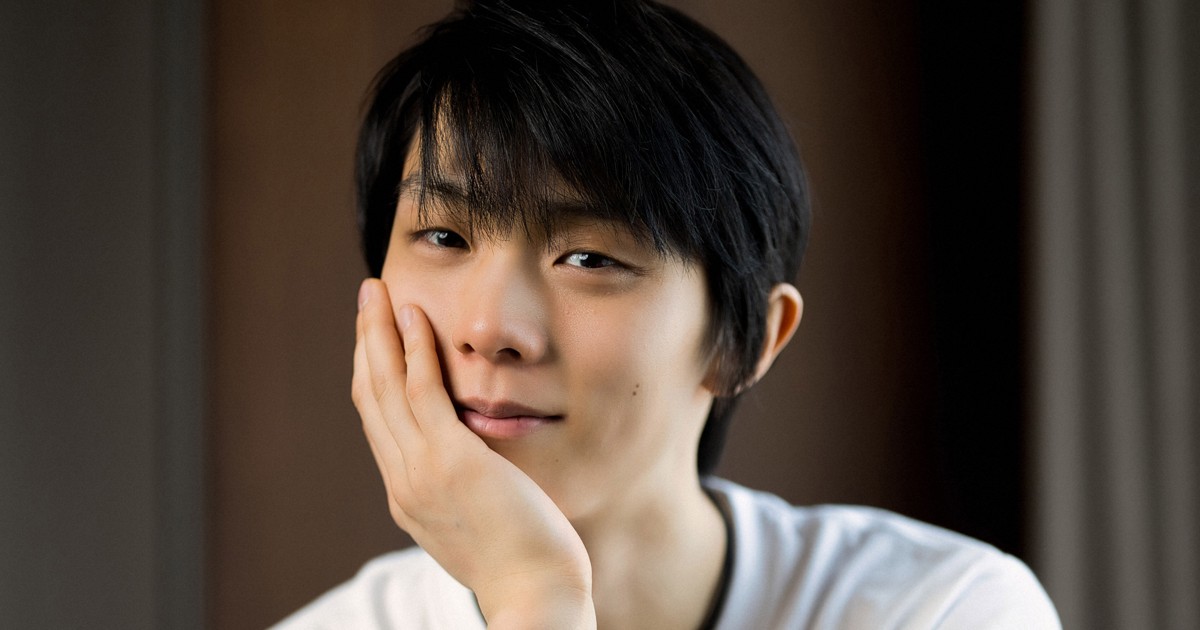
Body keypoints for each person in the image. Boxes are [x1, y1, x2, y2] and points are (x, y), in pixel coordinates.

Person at [275, 0, 1060, 627]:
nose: (489, 330)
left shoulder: (944, 609)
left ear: (745, 340)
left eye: (590, 258)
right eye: (445, 237)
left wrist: (537, 595)